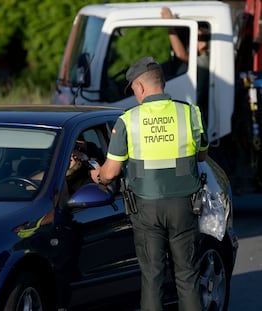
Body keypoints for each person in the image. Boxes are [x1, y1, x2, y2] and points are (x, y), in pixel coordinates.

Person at [90, 56, 209, 311]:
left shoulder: (127, 120)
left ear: (141, 87)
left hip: (146, 209)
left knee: (152, 277)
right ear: (162, 83)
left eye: (133, 90)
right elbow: (202, 155)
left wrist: (97, 175)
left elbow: (110, 173)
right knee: (187, 277)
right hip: (184, 205)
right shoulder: (190, 113)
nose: (135, 95)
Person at [161, 6, 210, 122]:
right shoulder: (195, 59)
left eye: (196, 37)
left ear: (203, 44)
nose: (190, 41)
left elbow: (181, 54)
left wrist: (170, 25)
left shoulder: (205, 61)